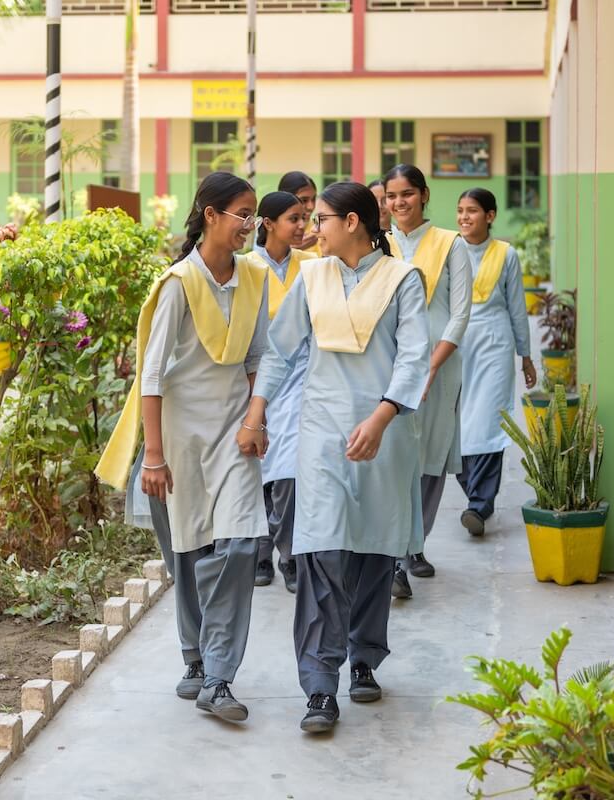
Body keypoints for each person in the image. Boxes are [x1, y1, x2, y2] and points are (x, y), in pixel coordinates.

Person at [240, 181, 428, 733]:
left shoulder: (402, 280)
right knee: (321, 552)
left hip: (384, 434)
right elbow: (278, 352)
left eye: (318, 219)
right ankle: (320, 686)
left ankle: (364, 659)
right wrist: (257, 415)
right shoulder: (312, 277)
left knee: (373, 552)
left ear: (351, 222)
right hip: (321, 433)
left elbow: (414, 357)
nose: (310, 229)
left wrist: (382, 416)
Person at [96, 171, 269, 723]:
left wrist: (256, 420)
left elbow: (259, 361)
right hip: (178, 438)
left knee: (240, 547)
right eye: (243, 213)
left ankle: (218, 677)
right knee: (190, 556)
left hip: (234, 435)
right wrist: (153, 455)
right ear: (211, 214)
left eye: (254, 215)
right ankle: (195, 660)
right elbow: (151, 375)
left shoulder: (254, 281)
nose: (250, 225)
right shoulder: (178, 284)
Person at [384, 164, 471, 600]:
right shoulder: (382, 245)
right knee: (398, 456)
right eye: (391, 196)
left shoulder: (449, 244)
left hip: (440, 364)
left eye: (407, 194)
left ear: (423, 194)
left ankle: (414, 545)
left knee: (430, 458)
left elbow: (459, 314)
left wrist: (432, 366)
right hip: (393, 363)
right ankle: (398, 556)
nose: (399, 203)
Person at [244, 191, 317, 592]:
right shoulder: (247, 268)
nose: (303, 227)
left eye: (305, 218)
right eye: (294, 219)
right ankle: (259, 550)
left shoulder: (312, 266)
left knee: (289, 468)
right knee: (256, 466)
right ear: (267, 223)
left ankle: (288, 555)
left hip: (301, 375)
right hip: (255, 379)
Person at [455, 188, 536, 534]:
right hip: (455, 346)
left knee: (489, 421)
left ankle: (479, 503)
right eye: (460, 211)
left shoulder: (506, 253)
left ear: (490, 216)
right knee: (456, 423)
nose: (464, 218)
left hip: (494, 344)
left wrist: (526, 356)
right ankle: (474, 492)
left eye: (472, 211)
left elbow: (518, 307)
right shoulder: (449, 249)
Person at [279, 171, 319, 252]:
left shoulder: (317, 230)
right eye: (304, 200)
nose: (311, 207)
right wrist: (291, 251)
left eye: (313, 199)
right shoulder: (270, 229)